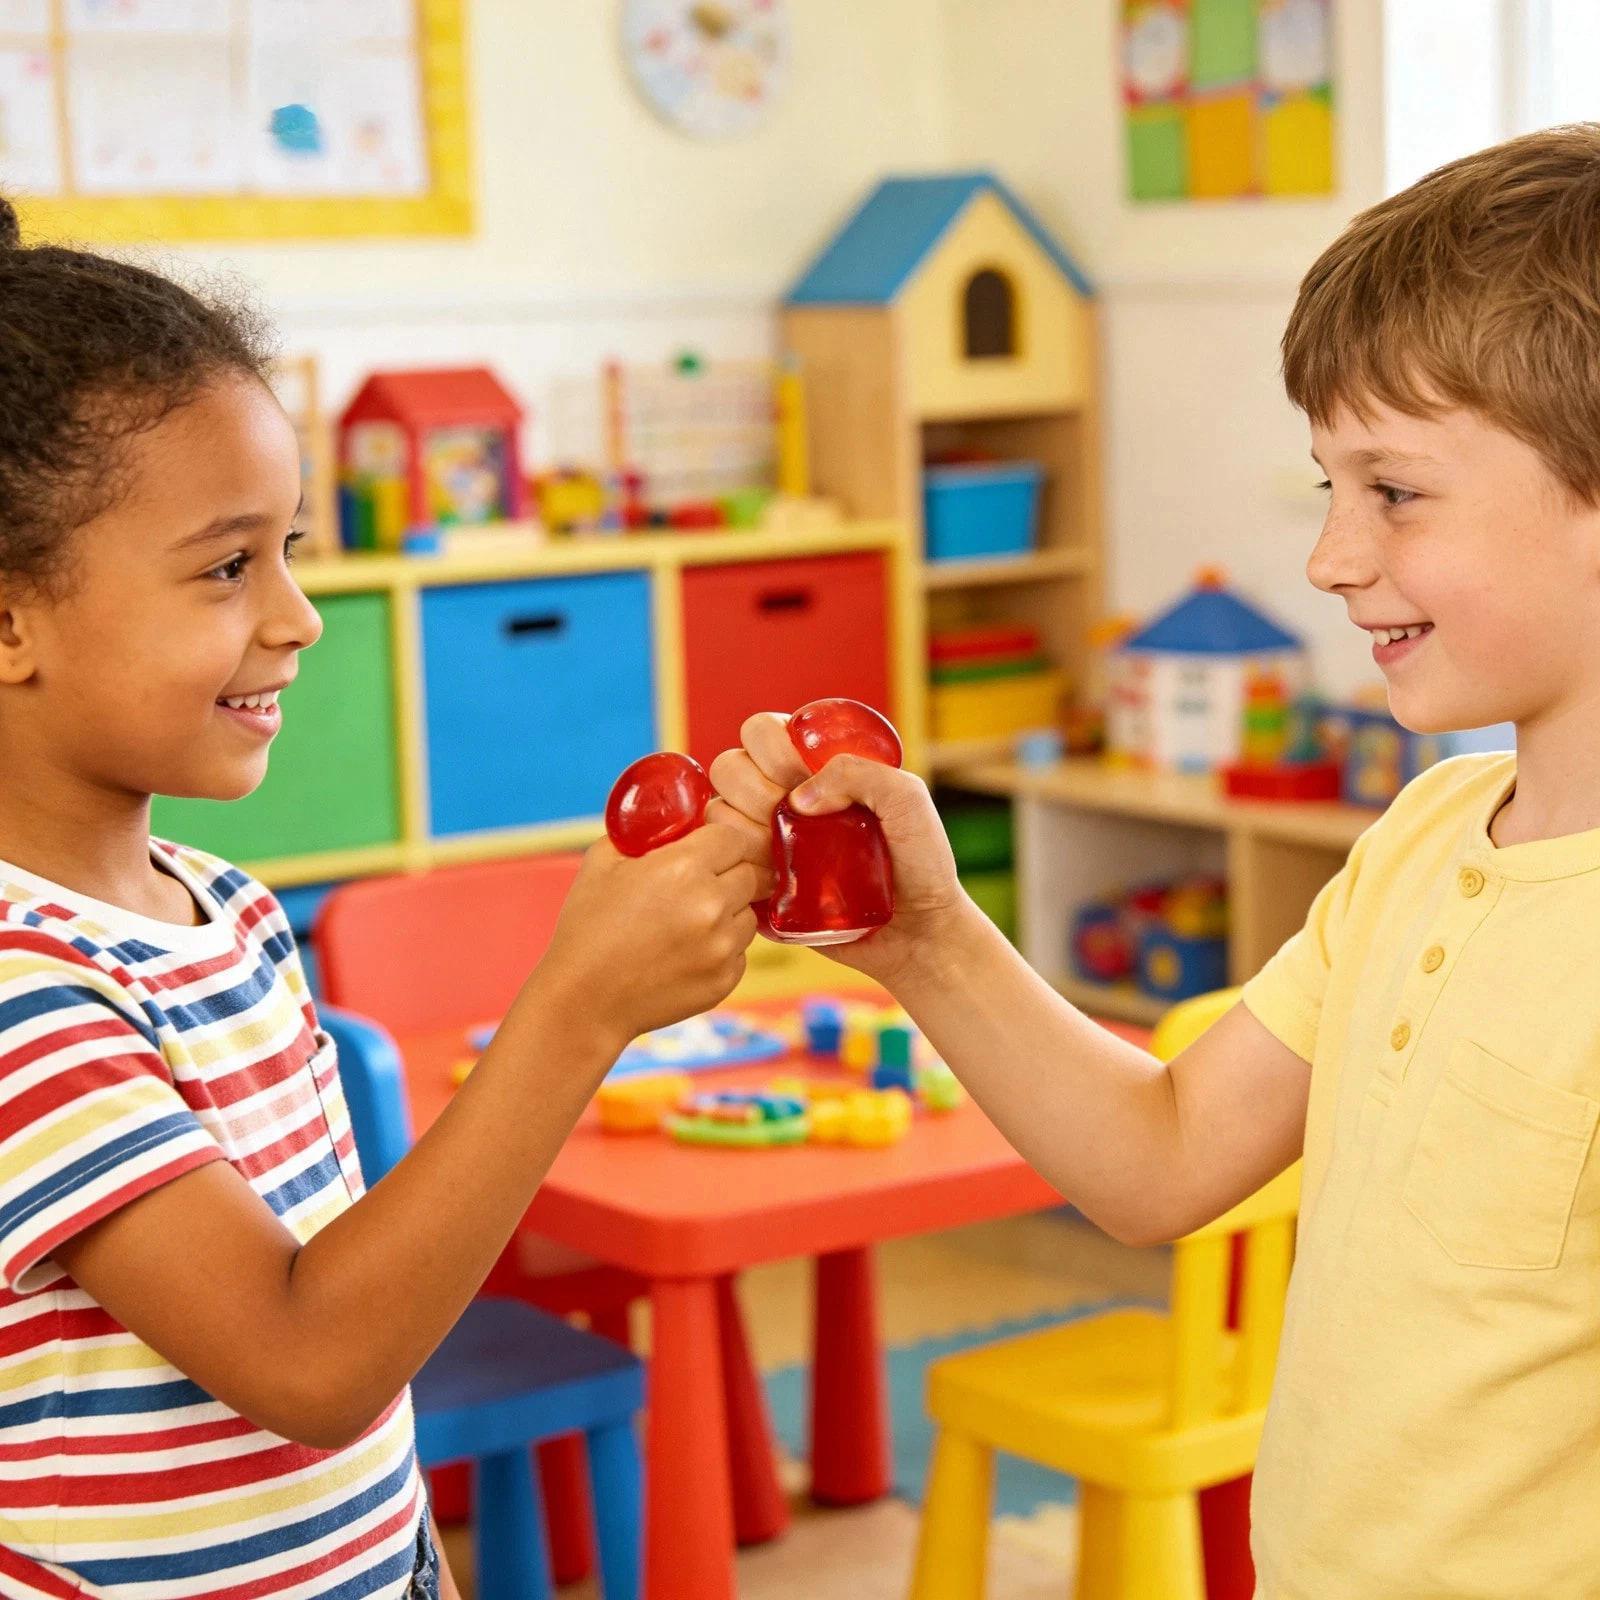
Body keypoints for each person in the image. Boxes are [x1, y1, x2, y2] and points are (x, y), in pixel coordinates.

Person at [712, 125, 1600, 1597]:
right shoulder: (1421, 838)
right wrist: (927, 937)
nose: (1329, 555)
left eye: (1393, 491)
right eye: (1328, 486)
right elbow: (1163, 1157)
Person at [0, 196, 770, 1599]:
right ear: (9, 620)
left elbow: (359, 1352)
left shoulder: (226, 909)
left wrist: (411, 1559)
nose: (297, 616)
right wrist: (578, 1008)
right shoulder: (23, 999)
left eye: (289, 550)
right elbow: (308, 1361)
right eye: (227, 567)